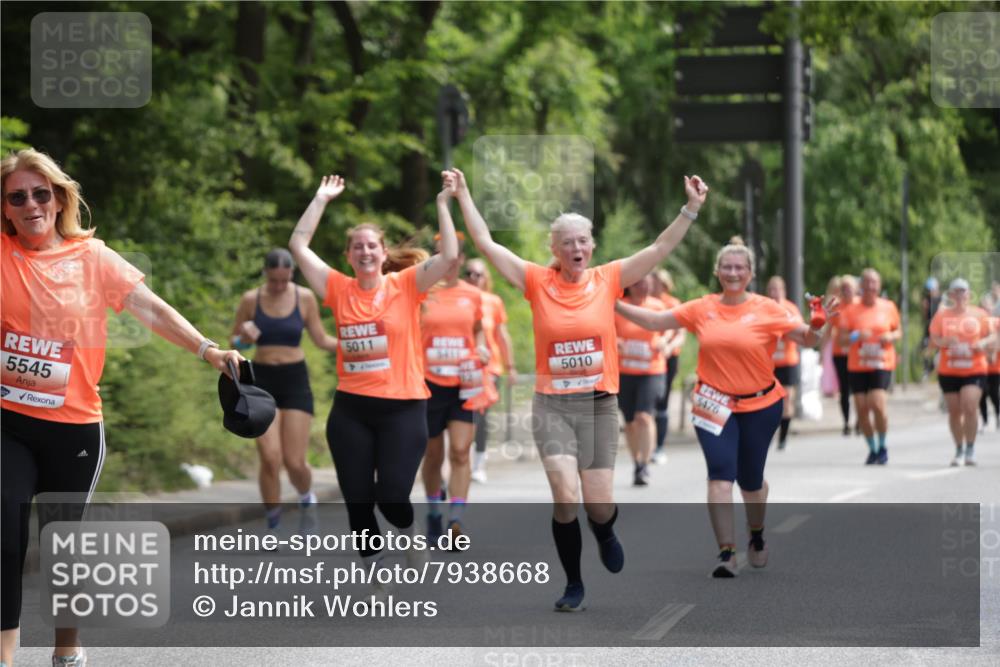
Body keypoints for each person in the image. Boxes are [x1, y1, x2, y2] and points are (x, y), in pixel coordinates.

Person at [1, 148, 244, 667]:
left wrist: (209, 349)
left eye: (41, 193)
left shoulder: (93, 259)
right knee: (5, 531)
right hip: (9, 424)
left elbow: (150, 308)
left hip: (74, 428)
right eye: (17, 196)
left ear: (59, 198)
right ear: (5, 207)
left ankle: (67, 646)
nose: (30, 204)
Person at [450, 166, 708, 610]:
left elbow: (659, 247)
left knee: (598, 503)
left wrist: (691, 208)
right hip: (553, 405)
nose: (576, 247)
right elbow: (486, 244)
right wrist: (463, 195)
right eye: (566, 242)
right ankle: (573, 583)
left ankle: (604, 529)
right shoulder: (536, 281)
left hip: (597, 405)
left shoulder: (608, 279)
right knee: (565, 495)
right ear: (554, 249)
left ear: (592, 247)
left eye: (582, 240)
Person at [615, 241, 835, 578]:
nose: (732, 273)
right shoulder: (703, 308)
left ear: (750, 274)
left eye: (739, 267)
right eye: (726, 267)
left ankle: (757, 534)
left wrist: (821, 323)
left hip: (760, 404)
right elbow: (657, 321)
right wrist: (613, 304)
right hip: (713, 403)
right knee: (720, 475)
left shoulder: (769, 309)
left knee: (750, 482)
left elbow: (807, 339)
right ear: (717, 272)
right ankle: (726, 552)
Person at [287, 173, 458, 589]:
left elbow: (450, 256)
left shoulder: (406, 285)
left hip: (404, 407)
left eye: (371, 246)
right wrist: (320, 199)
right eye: (357, 247)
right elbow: (297, 246)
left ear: (383, 255)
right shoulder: (337, 289)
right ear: (349, 256)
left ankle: (409, 533)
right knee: (358, 497)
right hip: (352, 409)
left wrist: (443, 204)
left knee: (393, 495)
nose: (365, 252)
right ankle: (373, 567)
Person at [230, 248, 339, 537]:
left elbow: (320, 338)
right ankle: (274, 522)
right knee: (270, 457)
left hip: (294, 381)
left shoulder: (304, 298)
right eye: (273, 280)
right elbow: (234, 343)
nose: (279, 286)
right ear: (266, 274)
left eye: (283, 280)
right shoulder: (251, 300)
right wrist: (244, 340)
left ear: (291, 274)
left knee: (294, 462)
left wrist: (355, 346)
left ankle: (306, 500)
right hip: (261, 380)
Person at [419, 234, 490, 543]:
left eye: (449, 256)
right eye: (438, 255)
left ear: (459, 260)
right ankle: (434, 509)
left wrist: (482, 349)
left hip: (465, 383)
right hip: (428, 383)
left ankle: (456, 519)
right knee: (433, 455)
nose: (444, 260)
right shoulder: (422, 292)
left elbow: (478, 333)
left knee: (461, 451)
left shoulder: (472, 295)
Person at [838, 268, 901, 465]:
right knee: (862, 410)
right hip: (858, 365)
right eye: (866, 283)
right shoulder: (850, 310)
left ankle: (882, 446)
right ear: (860, 287)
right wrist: (857, 335)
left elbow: (898, 331)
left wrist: (890, 336)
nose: (870, 287)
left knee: (877, 403)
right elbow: (841, 340)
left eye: (874, 283)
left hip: (881, 362)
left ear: (879, 286)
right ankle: (873, 449)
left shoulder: (888, 306)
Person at [462, 257, 516, 483]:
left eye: (479, 274)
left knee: (481, 416)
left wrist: (510, 366)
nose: (473, 278)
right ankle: (460, 460)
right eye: (469, 273)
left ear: (486, 278)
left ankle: (479, 463)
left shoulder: (493, 302)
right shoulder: (457, 298)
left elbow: (501, 336)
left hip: (488, 367)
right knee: (461, 416)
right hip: (462, 367)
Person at [929, 279, 992, 466]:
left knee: (969, 405)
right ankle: (959, 449)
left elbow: (994, 334)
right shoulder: (942, 316)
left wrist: (982, 343)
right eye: (955, 291)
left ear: (969, 294)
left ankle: (970, 448)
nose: (959, 295)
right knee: (955, 411)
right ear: (950, 295)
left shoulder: (979, 314)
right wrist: (945, 342)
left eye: (963, 291)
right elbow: (933, 339)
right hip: (949, 369)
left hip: (974, 368)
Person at [615, 273, 667, 485]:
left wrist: (665, 342)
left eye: (645, 283)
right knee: (629, 423)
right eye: (636, 283)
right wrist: (615, 340)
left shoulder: (658, 307)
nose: (641, 287)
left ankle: (645, 465)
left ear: (652, 285)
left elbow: (672, 331)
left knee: (644, 417)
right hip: (624, 371)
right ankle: (636, 462)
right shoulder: (620, 307)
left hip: (652, 370)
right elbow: (605, 330)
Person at [649, 269, 685, 464]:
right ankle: (648, 443)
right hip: (648, 357)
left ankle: (660, 446)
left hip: (668, 358)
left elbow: (679, 332)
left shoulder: (672, 304)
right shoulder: (644, 302)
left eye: (656, 283)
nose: (652, 286)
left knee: (662, 401)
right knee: (647, 403)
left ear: (664, 285)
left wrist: (669, 346)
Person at [766, 276, 804, 450]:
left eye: (777, 289)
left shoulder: (791, 309)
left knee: (786, 399)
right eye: (771, 289)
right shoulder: (763, 308)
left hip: (788, 361)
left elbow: (801, 330)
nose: (774, 293)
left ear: (784, 291)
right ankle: (768, 434)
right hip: (768, 363)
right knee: (768, 402)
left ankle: (783, 438)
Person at [828, 275, 858, 436]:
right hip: (839, 354)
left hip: (857, 354)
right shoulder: (837, 307)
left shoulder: (860, 305)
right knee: (844, 390)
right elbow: (829, 330)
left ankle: (861, 420)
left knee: (858, 389)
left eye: (849, 288)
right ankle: (846, 422)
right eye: (843, 288)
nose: (846, 291)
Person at [921, 277, 943, 380]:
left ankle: (933, 368)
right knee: (925, 349)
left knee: (939, 352)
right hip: (929, 328)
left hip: (940, 330)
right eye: (929, 290)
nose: (930, 292)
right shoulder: (926, 300)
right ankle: (927, 369)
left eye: (932, 290)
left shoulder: (942, 299)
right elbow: (925, 315)